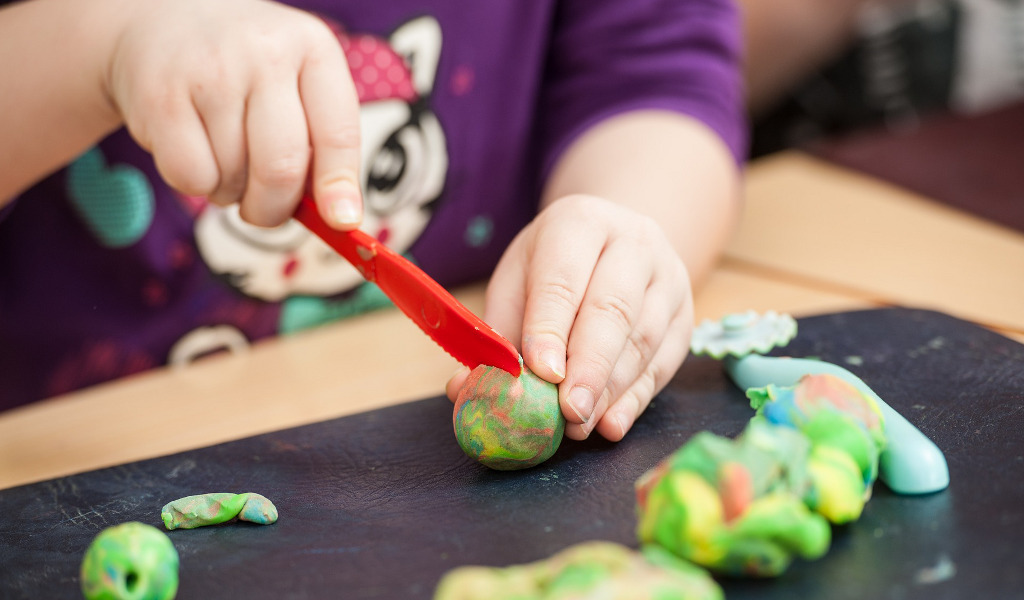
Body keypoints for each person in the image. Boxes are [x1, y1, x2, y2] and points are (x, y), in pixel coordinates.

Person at [0, 0, 745, 443]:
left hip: (386, 429)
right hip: (62, 446)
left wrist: (622, 230)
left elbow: (657, 76)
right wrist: (105, 45)